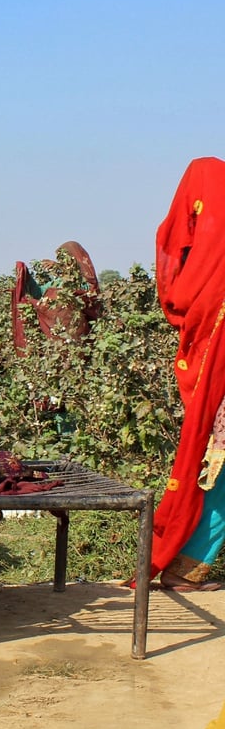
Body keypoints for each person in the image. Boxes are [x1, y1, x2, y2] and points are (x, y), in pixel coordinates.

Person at [151, 157, 225, 590]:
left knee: (216, 462)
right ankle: (187, 565)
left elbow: (174, 286)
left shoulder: (203, 276)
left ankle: (187, 562)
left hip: (213, 379)